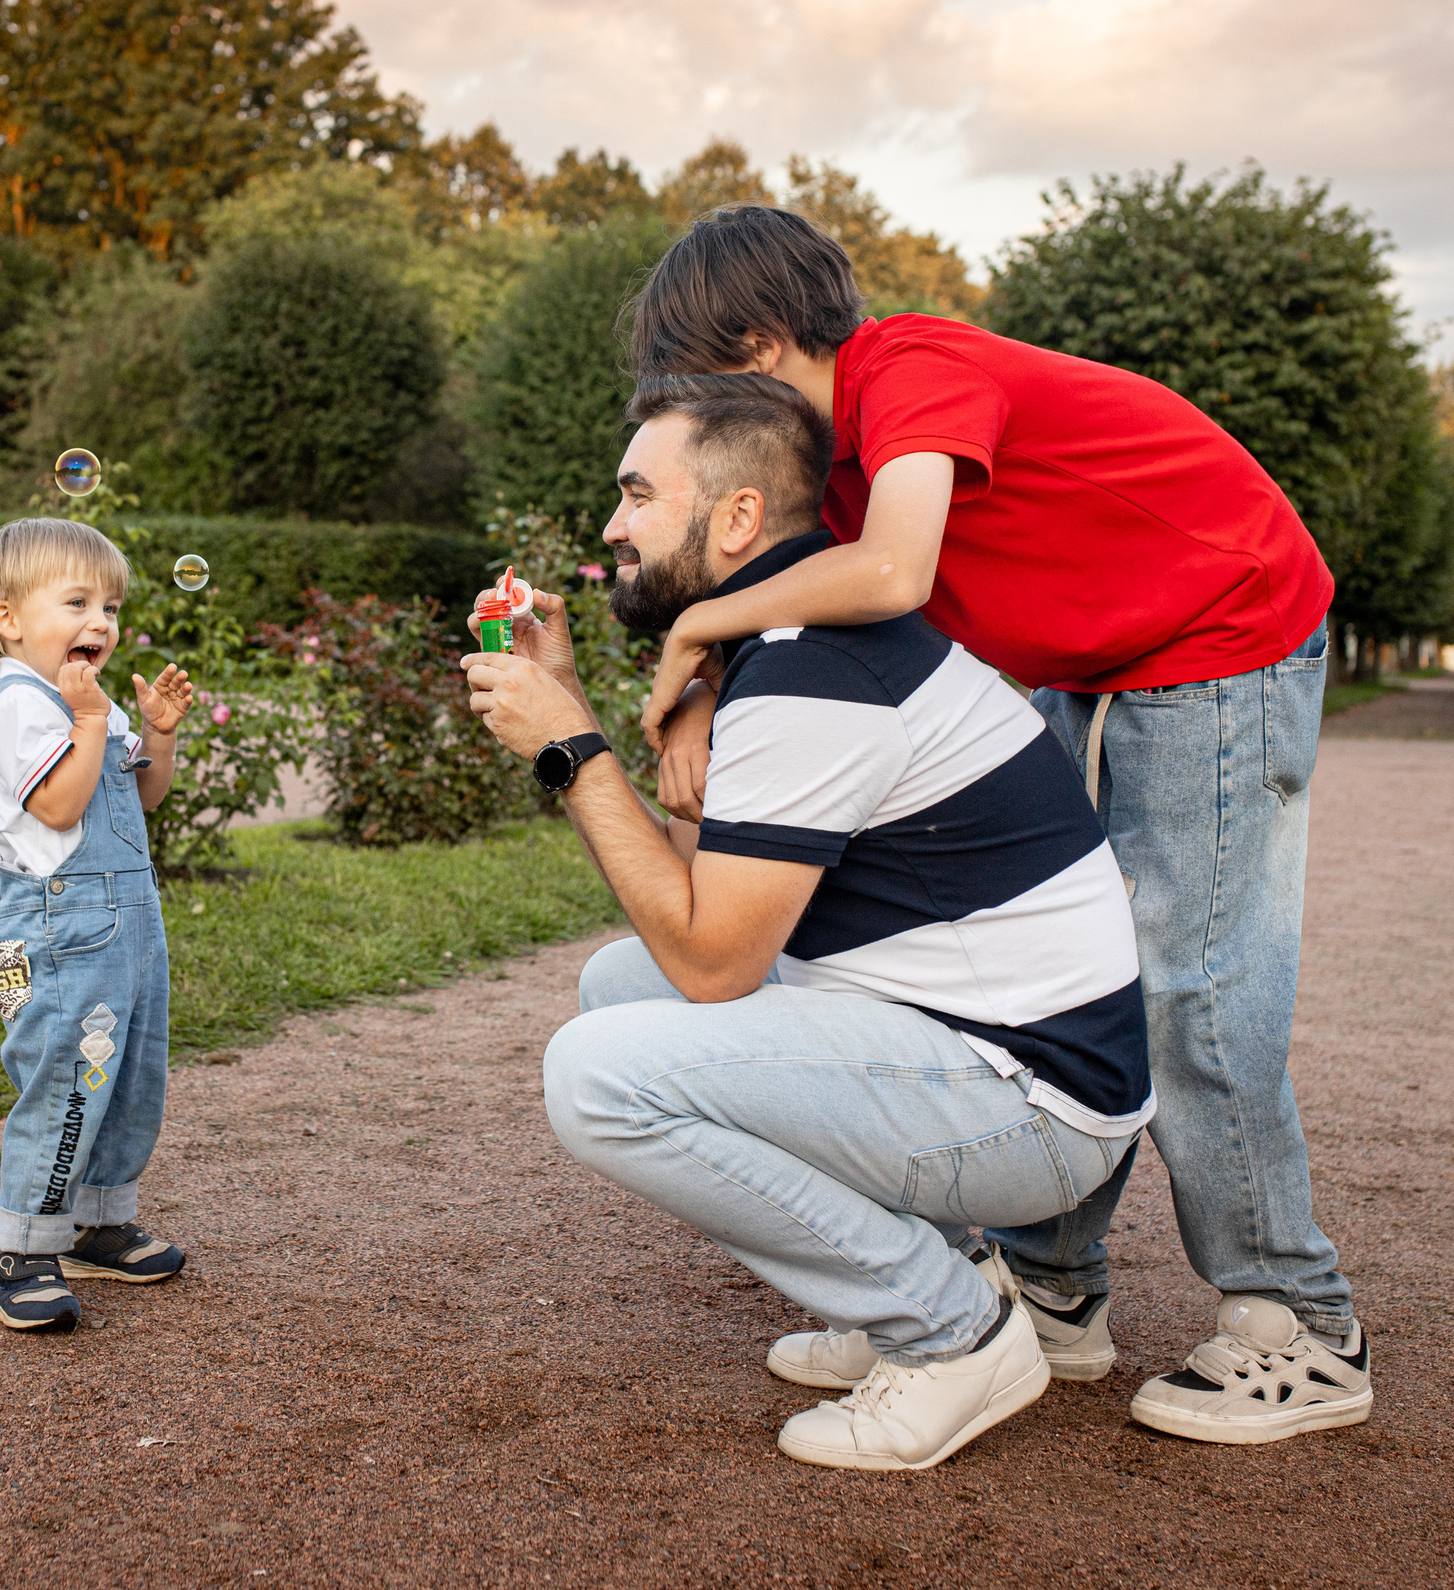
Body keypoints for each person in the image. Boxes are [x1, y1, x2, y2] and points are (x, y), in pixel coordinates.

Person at [626, 204, 1369, 1447]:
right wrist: (708, 679)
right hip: (1095, 659)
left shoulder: (908, 371)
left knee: (1192, 986)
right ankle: (1053, 1290)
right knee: (1079, 965)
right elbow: (800, 591)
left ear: (757, 343)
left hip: (1220, 634)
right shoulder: (837, 457)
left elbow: (894, 573)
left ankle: (1298, 1319)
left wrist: (695, 631)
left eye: (697, 378)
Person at [462, 372, 1154, 1471]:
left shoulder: (809, 671)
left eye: (638, 494)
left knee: (597, 1072)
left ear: (738, 517)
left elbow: (714, 960)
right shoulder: (789, 648)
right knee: (614, 988)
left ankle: (953, 1330)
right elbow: (710, 906)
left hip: (1033, 1106)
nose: (612, 524)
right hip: (987, 1048)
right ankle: (936, 1282)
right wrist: (588, 713)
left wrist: (568, 750)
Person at [0, 518, 197, 1332]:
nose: (101, 621)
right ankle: (22, 1250)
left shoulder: (84, 701)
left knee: (131, 1073)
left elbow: (142, 795)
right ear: (9, 620)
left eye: (110, 605)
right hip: (52, 937)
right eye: (77, 601)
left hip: (128, 930)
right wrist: (93, 722)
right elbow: (61, 803)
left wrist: (158, 735)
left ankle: (96, 1221)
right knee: (66, 1077)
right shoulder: (25, 708)